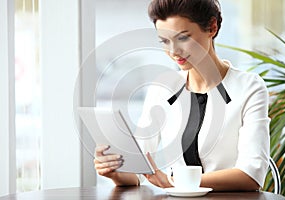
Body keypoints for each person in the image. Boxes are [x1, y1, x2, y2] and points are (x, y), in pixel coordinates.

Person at [94, 0, 270, 191]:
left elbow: (251, 175)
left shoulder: (249, 87)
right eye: (165, 41)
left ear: (212, 27)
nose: (173, 51)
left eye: (183, 38)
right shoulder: (163, 88)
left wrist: (175, 182)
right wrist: (115, 172)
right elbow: (140, 169)